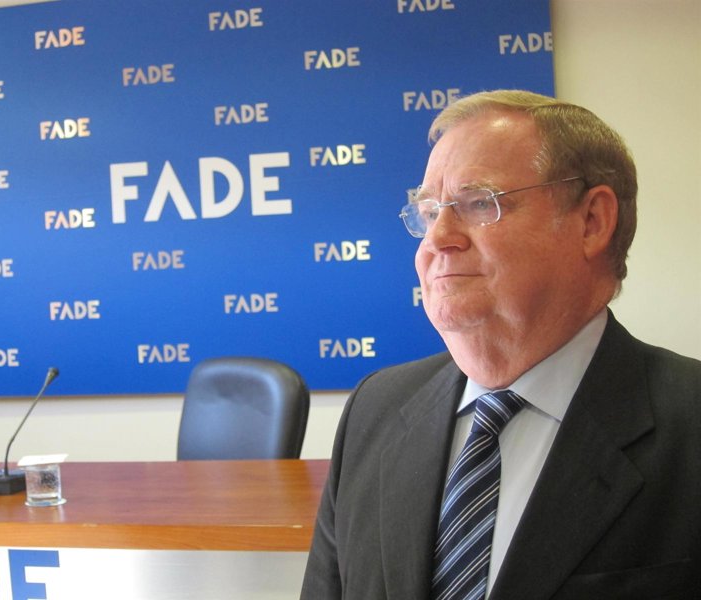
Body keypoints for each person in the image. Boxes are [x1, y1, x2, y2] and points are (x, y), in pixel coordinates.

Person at [300, 90, 701, 599]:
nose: (437, 239)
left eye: (478, 203)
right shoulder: (374, 408)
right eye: (429, 212)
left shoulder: (689, 421)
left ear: (592, 222)